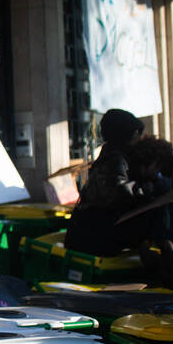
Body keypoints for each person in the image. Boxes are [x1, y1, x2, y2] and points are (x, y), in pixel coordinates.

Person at [64, 109, 149, 255]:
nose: (138, 138)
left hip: (90, 235)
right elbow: (120, 194)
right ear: (125, 134)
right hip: (96, 239)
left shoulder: (111, 156)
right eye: (135, 133)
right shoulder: (115, 161)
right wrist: (147, 188)